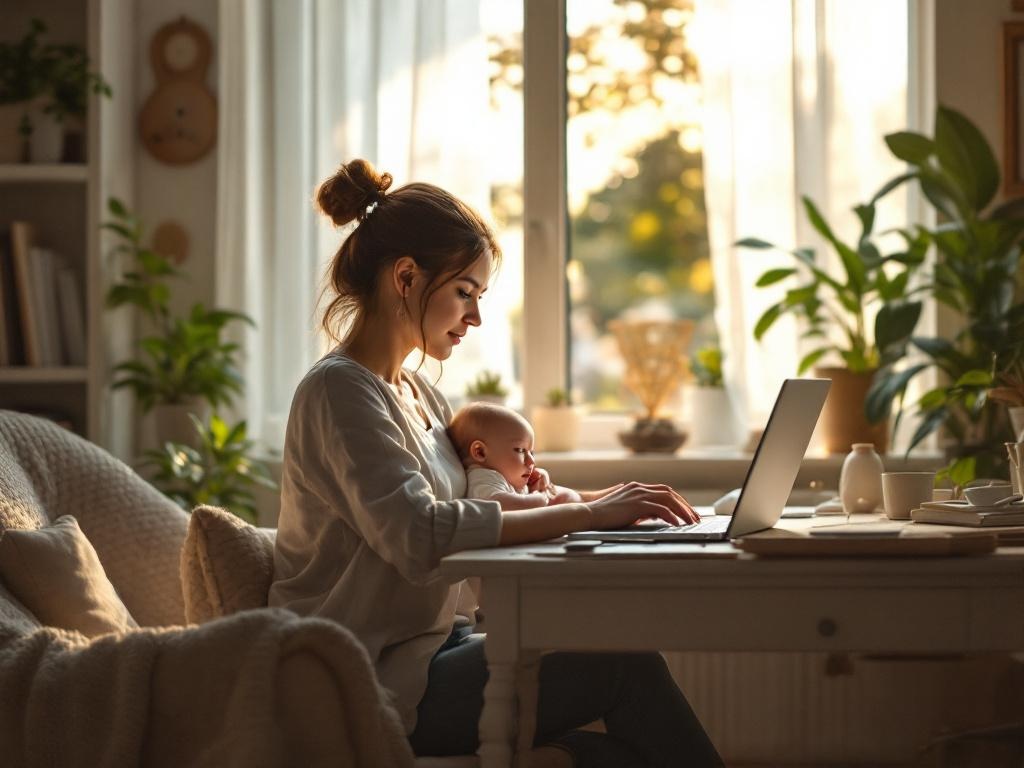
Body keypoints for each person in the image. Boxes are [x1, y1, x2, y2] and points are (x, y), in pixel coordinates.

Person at [268, 158, 723, 767]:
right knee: (624, 664)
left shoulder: (419, 393)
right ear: (406, 277)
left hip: (434, 651)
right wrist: (588, 516)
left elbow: (477, 508)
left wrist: (589, 504)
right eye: (465, 293)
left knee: (625, 748)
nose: (475, 318)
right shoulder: (337, 393)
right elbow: (419, 534)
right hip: (369, 680)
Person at [448, 401, 581, 508]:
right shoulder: (482, 477)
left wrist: (538, 478)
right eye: (520, 450)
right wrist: (536, 500)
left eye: (531, 453)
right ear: (480, 452)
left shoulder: (504, 475)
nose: (531, 462)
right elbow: (497, 505)